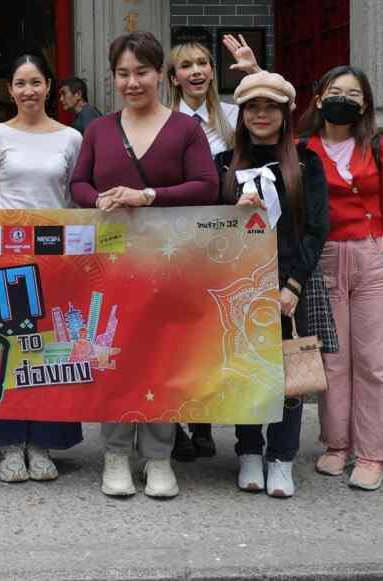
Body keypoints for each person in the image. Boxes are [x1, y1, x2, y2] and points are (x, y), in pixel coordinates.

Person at [69, 31, 218, 499]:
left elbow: (206, 185)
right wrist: (98, 199)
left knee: (160, 356)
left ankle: (158, 456)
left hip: (168, 265)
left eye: (142, 72)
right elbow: (77, 184)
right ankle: (115, 454)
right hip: (109, 263)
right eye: (123, 74)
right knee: (111, 351)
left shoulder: (185, 129)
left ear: (161, 75)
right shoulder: (99, 129)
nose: (132, 82)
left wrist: (148, 195)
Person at [0, 53, 83, 482]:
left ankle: (43, 443)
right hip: (6, 255)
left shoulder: (71, 137)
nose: (28, 91)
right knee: (7, 347)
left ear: (49, 86)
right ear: (10, 90)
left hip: (56, 256)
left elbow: (72, 200)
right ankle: (10, 444)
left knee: (51, 349)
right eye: (20, 83)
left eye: (36, 82)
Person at [214, 72, 330, 498]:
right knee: (244, 369)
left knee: (288, 373)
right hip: (239, 285)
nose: (261, 115)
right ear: (241, 114)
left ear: (285, 114)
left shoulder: (306, 163)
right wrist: (234, 209)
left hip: (288, 285)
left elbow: (317, 228)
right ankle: (248, 450)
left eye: (270, 108)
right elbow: (209, 230)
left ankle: (282, 457)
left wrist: (295, 284)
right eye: (252, 108)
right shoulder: (223, 164)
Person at [302, 65, 383, 491]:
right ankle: (337, 443)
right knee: (333, 358)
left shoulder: (381, 148)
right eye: (335, 91)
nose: (342, 100)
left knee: (376, 361)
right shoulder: (304, 148)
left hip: (372, 257)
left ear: (365, 105)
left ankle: (373, 452)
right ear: (318, 99)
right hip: (326, 259)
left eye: (352, 94)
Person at [164, 33, 261, 461]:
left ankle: (203, 424)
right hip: (177, 242)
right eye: (186, 66)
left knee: (214, 336)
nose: (196, 71)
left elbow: (280, 118)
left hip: (226, 243)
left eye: (203, 63)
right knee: (176, 337)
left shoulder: (234, 115)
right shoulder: (163, 121)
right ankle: (174, 426)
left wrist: (254, 73)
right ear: (173, 77)